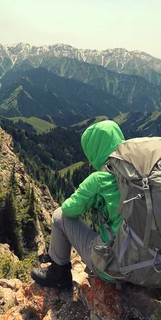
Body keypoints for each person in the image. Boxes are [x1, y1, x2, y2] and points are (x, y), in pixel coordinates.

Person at [31, 120, 124, 288]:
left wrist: (91, 199)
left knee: (59, 215)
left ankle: (59, 273)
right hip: (160, 265)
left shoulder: (100, 179)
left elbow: (69, 209)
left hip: (119, 268)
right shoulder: (143, 173)